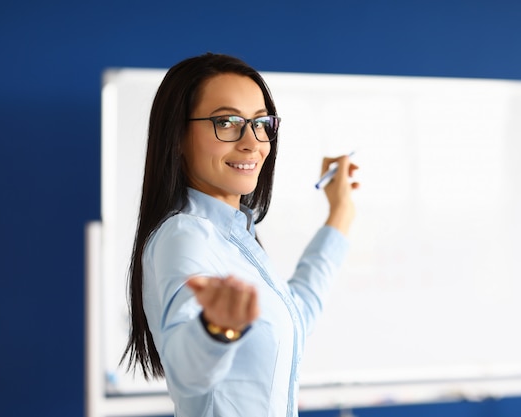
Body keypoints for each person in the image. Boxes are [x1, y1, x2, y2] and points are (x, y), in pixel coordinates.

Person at [121, 52, 359, 417]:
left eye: (261, 122)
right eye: (227, 122)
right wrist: (216, 328)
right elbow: (187, 369)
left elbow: (295, 316)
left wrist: (340, 213)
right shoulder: (184, 235)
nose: (253, 142)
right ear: (178, 136)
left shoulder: (232, 234)